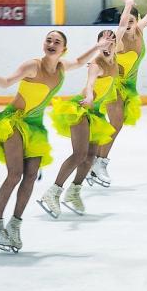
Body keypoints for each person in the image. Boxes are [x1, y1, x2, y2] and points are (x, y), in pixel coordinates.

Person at [0, 31, 111, 252]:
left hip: (35, 127)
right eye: (49, 40)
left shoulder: (60, 67)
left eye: (57, 42)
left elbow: (78, 62)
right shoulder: (32, 65)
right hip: (13, 121)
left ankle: (14, 225)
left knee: (30, 177)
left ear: (63, 49)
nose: (51, 44)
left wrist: (98, 46)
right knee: (15, 174)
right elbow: (8, 81)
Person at [90, 0, 147, 187]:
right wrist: (128, 4)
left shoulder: (139, 31)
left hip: (128, 86)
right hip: (114, 85)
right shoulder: (118, 40)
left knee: (116, 124)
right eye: (126, 20)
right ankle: (99, 163)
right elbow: (120, 25)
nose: (128, 24)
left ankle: (95, 161)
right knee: (116, 123)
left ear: (137, 22)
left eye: (132, 21)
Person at [40, 30, 119, 216]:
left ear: (116, 44)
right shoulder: (96, 63)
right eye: (103, 42)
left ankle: (73, 192)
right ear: (99, 43)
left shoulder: (115, 63)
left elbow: (122, 29)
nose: (107, 46)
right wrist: (90, 95)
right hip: (81, 108)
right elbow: (91, 82)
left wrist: (129, 6)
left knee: (91, 156)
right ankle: (53, 192)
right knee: (79, 154)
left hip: (96, 113)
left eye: (111, 42)